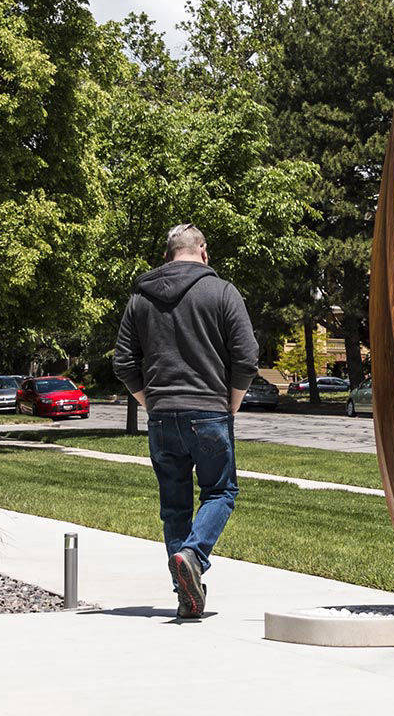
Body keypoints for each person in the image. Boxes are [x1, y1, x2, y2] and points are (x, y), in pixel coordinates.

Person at [113, 223, 259, 618]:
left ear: (167, 255)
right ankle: (193, 556)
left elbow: (123, 362)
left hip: (162, 416)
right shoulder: (223, 292)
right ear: (204, 252)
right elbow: (246, 357)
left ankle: (185, 595)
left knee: (174, 507)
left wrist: (148, 402)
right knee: (220, 492)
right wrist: (232, 403)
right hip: (209, 411)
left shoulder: (140, 298)